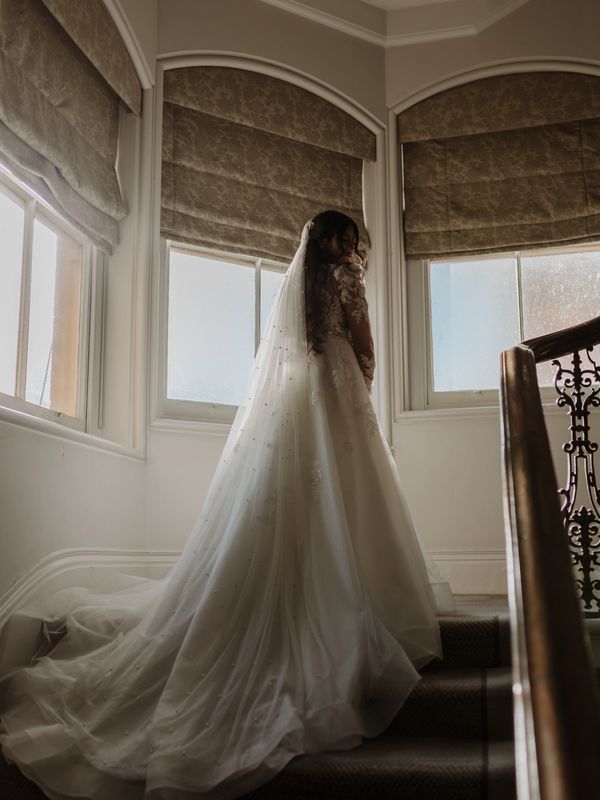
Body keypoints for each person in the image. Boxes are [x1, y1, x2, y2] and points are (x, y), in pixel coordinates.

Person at [0, 211, 453, 799]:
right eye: (349, 239)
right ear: (339, 243)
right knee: (351, 496)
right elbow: (364, 344)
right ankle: (355, 592)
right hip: (337, 387)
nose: (353, 248)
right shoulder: (347, 278)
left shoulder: (304, 287)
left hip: (302, 391)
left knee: (294, 504)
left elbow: (292, 347)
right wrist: (360, 381)